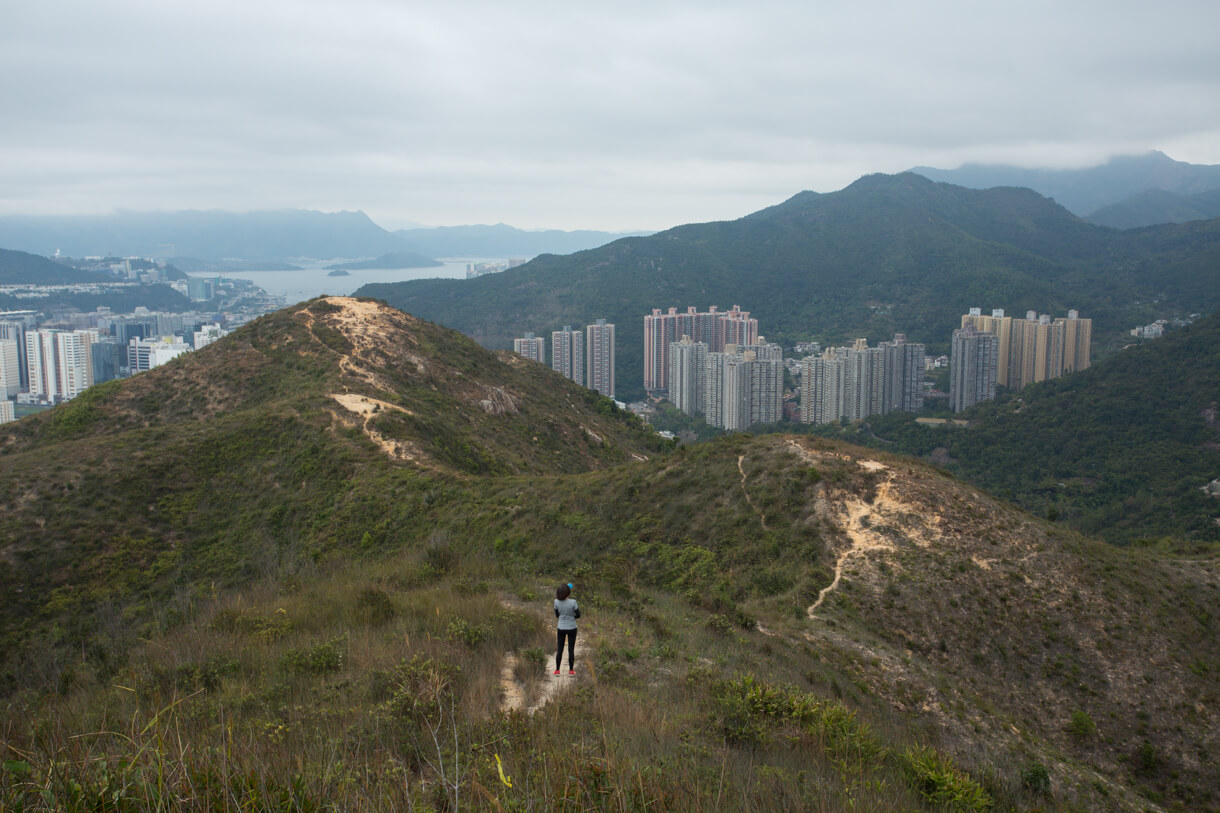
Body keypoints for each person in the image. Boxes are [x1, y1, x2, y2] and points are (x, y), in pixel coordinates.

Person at [553, 582, 579, 676]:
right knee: (571, 649)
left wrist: (563, 617)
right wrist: (572, 618)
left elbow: (557, 615)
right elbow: (578, 615)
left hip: (561, 627)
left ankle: (557, 670)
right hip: (572, 627)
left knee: (560, 649)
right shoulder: (573, 602)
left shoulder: (556, 602)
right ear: (568, 593)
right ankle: (571, 671)